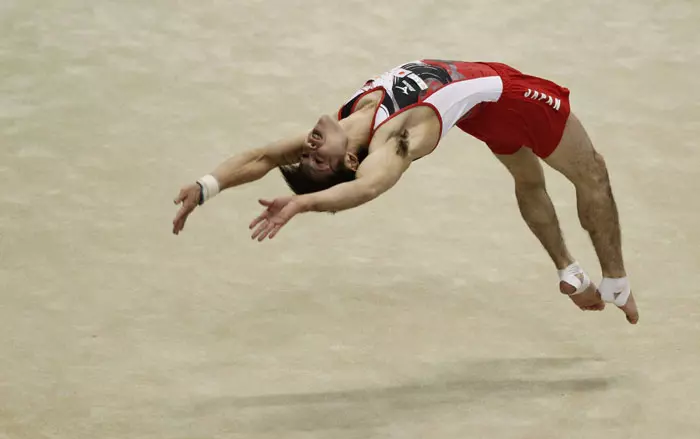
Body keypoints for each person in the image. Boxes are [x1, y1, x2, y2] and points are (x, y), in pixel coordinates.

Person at [172, 59, 639, 324]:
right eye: (317, 160)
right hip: (507, 95)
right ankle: (616, 284)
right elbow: (371, 187)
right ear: (349, 162)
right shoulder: (392, 141)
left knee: (527, 178)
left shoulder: (344, 128)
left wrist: (206, 185)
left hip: (479, 111)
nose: (309, 146)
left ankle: (571, 273)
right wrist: (303, 203)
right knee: (592, 173)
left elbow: (261, 157)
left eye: (307, 155)